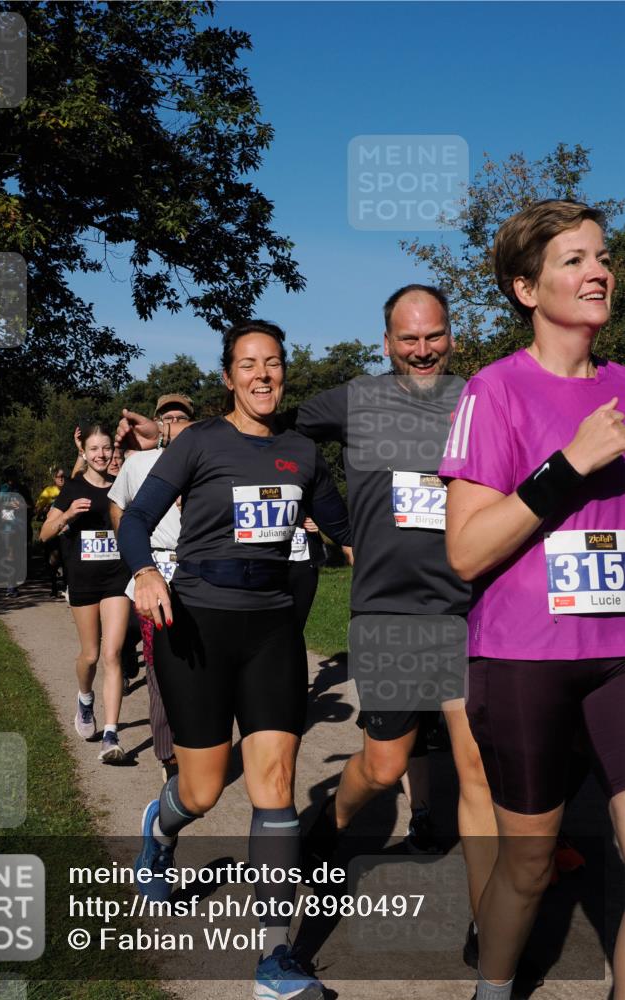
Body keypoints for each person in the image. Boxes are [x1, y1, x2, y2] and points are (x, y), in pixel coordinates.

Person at [119, 320, 351, 1000]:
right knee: (202, 786)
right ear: (228, 377)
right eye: (248, 364)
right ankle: (159, 833)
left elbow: (343, 531)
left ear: (284, 371)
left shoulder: (303, 452)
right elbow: (136, 520)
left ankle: (275, 959)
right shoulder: (199, 441)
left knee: (274, 783)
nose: (262, 375)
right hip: (197, 625)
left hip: (274, 630)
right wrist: (145, 574)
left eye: (273, 363)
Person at [440, 200, 625, 1000]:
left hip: (620, 654)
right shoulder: (494, 391)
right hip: (524, 657)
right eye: (573, 260)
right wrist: (569, 465)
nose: (598, 271)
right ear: (525, 287)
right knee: (529, 860)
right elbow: (466, 550)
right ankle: (493, 988)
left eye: (601, 255)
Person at [293, 285, 497, 973]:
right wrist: (327, 515)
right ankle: (328, 827)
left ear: (451, 336)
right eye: (407, 339)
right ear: (386, 343)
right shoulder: (356, 401)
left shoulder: (479, 400)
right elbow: (276, 431)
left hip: (469, 607)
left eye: (432, 336)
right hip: (390, 612)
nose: (420, 350)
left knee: (477, 767)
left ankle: (490, 923)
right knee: (383, 767)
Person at [109, 393, 196, 782]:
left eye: (181, 417)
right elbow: (118, 506)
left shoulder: (207, 459)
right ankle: (168, 755)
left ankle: (198, 742)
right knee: (160, 666)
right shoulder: (138, 463)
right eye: (167, 418)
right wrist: (135, 555)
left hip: (198, 570)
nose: (173, 424)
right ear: (157, 424)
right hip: (155, 569)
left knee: (201, 663)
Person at [40, 423, 130, 764]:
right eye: (94, 449)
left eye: (106, 448)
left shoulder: (122, 486)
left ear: (112, 451)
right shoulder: (73, 488)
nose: (101, 455)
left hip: (117, 579)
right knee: (91, 656)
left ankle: (110, 734)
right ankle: (85, 697)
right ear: (86, 453)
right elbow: (45, 534)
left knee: (113, 654)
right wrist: (66, 515)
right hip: (83, 580)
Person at [35, 466, 67, 597]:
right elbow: (37, 510)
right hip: (53, 530)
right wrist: (45, 509)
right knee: (53, 559)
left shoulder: (70, 489)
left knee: (67, 559)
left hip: (67, 530)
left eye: (64, 477)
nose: (62, 479)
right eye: (59, 477)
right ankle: (54, 587)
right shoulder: (48, 491)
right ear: (54, 478)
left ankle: (66, 587)